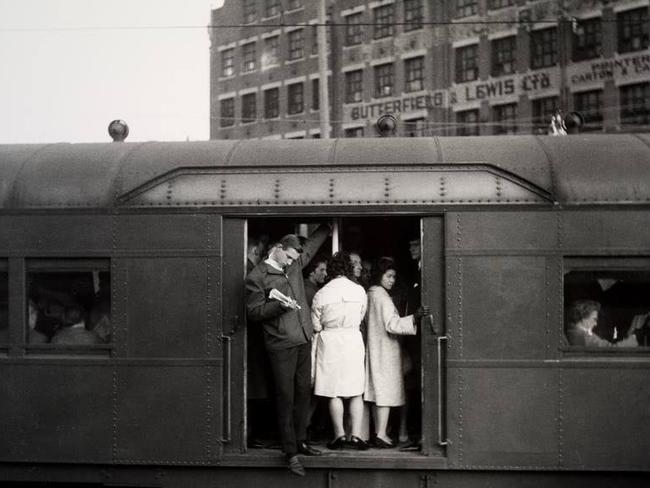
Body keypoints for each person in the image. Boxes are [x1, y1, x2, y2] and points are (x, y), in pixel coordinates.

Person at [246, 225, 329, 476]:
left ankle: (301, 440)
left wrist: (326, 226)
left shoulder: (292, 263)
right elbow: (253, 312)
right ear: (278, 249)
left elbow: (311, 247)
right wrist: (278, 306)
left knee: (303, 392)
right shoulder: (257, 276)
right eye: (290, 257)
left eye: (295, 258)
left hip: (303, 338)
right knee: (286, 397)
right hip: (281, 343)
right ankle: (290, 452)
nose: (293, 262)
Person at [364, 257, 428, 448]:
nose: (392, 280)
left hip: (375, 346)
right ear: (379, 275)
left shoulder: (371, 293)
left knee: (378, 391)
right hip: (386, 348)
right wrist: (415, 317)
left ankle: (379, 431)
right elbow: (392, 324)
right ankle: (382, 434)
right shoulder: (382, 296)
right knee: (385, 391)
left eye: (394, 277)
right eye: (389, 276)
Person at [311, 252, 368, 450]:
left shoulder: (322, 293)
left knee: (333, 390)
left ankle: (339, 435)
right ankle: (357, 436)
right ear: (348, 269)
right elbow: (362, 316)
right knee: (355, 391)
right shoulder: (359, 291)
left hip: (331, 341)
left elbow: (316, 325)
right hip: (353, 339)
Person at [565, 300, 642, 347]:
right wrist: (634, 339)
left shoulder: (572, 331)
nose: (595, 324)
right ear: (583, 318)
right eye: (594, 319)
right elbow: (612, 350)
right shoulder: (583, 337)